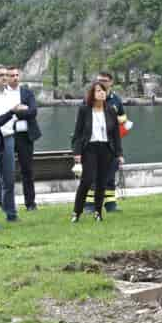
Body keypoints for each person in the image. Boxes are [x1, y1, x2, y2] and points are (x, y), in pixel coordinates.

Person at [70, 80, 123, 222]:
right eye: (98, 91)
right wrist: (77, 153)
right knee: (87, 180)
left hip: (106, 148)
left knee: (102, 182)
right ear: (92, 94)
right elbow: (78, 133)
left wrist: (119, 154)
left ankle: (98, 212)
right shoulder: (84, 110)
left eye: (103, 90)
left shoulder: (111, 110)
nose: (101, 93)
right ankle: (77, 212)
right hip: (90, 149)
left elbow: (116, 135)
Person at [0, 65, 22, 224]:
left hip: (8, 137)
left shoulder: (11, 95)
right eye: (0, 75)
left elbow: (15, 115)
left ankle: (11, 213)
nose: (4, 78)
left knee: (9, 178)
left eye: (6, 75)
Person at [9, 67, 42, 212]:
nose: (15, 78)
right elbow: (1, 113)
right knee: (6, 170)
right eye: (12, 75)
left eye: (17, 75)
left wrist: (15, 113)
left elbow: (33, 111)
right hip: (8, 134)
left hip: (25, 136)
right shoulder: (2, 94)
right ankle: (6, 204)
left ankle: (30, 203)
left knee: (27, 170)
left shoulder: (27, 92)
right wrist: (19, 110)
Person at [96, 71, 129, 212]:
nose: (101, 83)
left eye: (104, 80)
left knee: (110, 174)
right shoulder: (91, 98)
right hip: (95, 141)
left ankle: (110, 204)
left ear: (110, 82)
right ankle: (90, 205)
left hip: (112, 142)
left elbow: (123, 119)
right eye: (99, 80)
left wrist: (120, 123)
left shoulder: (116, 100)